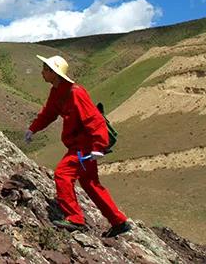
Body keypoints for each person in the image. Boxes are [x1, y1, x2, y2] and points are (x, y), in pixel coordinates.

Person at [24, 55, 132, 238]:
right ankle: (118, 221)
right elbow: (48, 114)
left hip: (84, 148)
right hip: (81, 147)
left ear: (53, 72)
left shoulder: (76, 92)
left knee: (62, 174)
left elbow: (95, 120)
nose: (42, 72)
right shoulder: (56, 92)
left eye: (45, 69)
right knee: (90, 183)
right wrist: (33, 129)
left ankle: (75, 219)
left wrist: (99, 146)